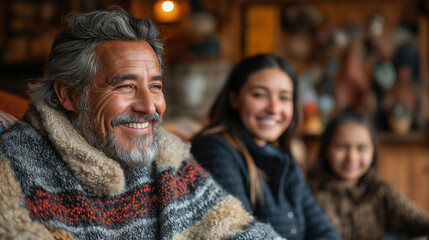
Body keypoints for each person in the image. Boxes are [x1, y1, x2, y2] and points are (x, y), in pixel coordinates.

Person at [0, 8, 284, 240]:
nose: (150, 107)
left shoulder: (167, 153)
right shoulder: (11, 167)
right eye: (125, 86)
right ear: (69, 94)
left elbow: (234, 228)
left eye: (155, 86)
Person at [191, 54, 341, 240]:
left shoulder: (285, 161)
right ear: (234, 99)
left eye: (284, 97)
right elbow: (241, 234)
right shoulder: (213, 149)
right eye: (260, 94)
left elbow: (325, 232)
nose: (274, 108)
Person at [307, 110, 429, 240]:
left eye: (361, 148)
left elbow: (423, 222)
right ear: (326, 150)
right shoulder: (309, 194)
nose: (351, 157)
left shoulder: (383, 193)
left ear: (373, 154)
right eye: (341, 146)